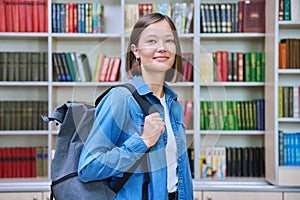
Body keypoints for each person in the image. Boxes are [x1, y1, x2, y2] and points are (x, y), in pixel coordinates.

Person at [78, 12, 194, 200]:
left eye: (169, 41)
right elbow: (88, 167)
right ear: (136, 50)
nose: (162, 48)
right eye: (151, 41)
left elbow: (180, 173)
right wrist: (143, 141)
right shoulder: (120, 98)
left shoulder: (174, 104)